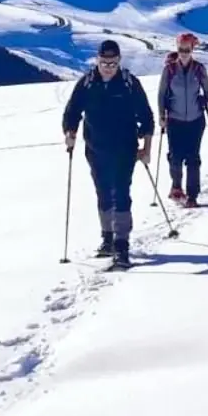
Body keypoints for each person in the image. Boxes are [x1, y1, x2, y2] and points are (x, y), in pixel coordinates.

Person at [62, 39, 155, 269]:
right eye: (104, 63)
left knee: (121, 193)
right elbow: (72, 111)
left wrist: (147, 148)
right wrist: (70, 132)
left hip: (125, 149)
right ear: (97, 60)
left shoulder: (129, 83)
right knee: (103, 193)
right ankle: (108, 238)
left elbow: (146, 116)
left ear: (119, 61)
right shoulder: (87, 83)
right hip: (95, 149)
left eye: (113, 63)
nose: (108, 68)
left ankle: (122, 245)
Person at [157, 31, 208, 207]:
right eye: (181, 49)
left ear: (192, 49)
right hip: (174, 119)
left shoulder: (199, 69)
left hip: (196, 120)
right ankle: (176, 187)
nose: (184, 53)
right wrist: (161, 114)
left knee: (193, 158)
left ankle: (192, 195)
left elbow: (207, 89)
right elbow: (161, 94)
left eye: (187, 50)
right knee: (175, 156)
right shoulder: (169, 70)